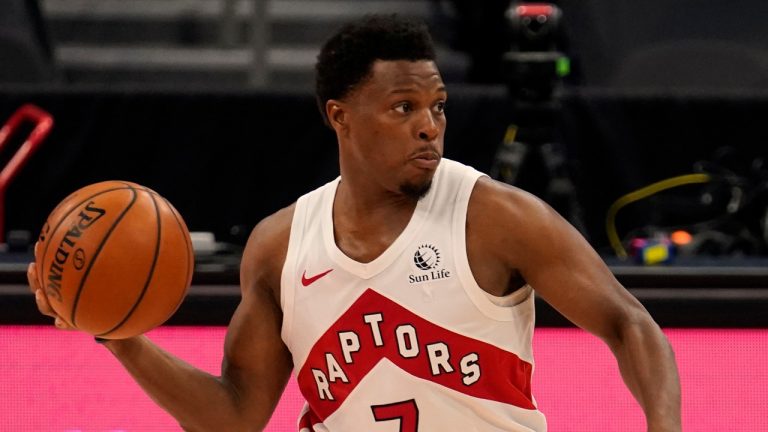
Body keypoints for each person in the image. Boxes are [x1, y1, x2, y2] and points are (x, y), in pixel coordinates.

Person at [28, 14, 681, 432]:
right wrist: (120, 338)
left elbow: (630, 324)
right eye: (403, 107)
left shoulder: (495, 216)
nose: (429, 125)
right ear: (339, 116)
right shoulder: (279, 246)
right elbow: (235, 416)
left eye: (437, 105)